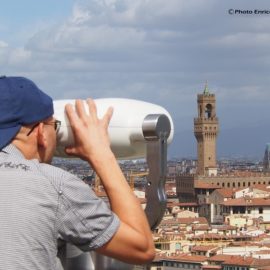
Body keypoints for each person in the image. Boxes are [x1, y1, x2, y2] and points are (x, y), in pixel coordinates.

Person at [0, 76, 155, 269]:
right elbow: (142, 248)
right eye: (54, 126)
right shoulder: (54, 185)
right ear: (41, 132)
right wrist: (102, 155)